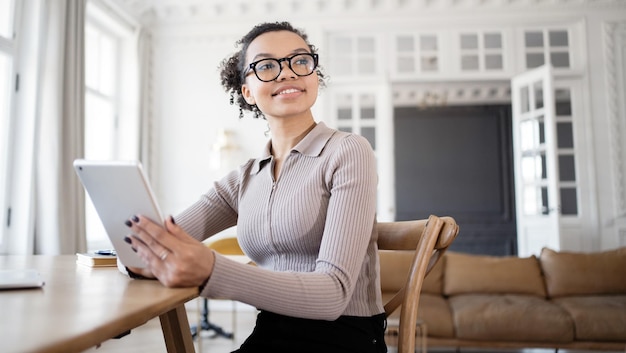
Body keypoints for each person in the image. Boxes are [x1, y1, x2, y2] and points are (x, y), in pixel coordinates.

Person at [123, 21, 387, 353]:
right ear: (247, 91)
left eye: (300, 61)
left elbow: (332, 295)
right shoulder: (245, 177)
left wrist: (211, 269)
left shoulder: (348, 150)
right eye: (266, 66)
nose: (286, 73)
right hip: (271, 334)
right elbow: (165, 238)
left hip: (343, 339)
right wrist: (136, 250)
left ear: (314, 75)